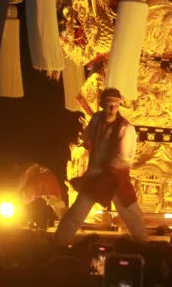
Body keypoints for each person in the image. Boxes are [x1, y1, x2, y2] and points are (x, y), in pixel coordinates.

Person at [53, 87, 148, 245]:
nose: (111, 108)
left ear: (119, 105)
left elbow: (125, 158)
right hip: (96, 176)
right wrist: (80, 142)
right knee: (77, 212)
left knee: (130, 214)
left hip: (115, 178)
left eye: (115, 105)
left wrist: (104, 171)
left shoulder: (126, 128)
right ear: (102, 104)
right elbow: (86, 136)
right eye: (108, 104)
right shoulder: (96, 119)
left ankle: (145, 246)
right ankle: (57, 244)